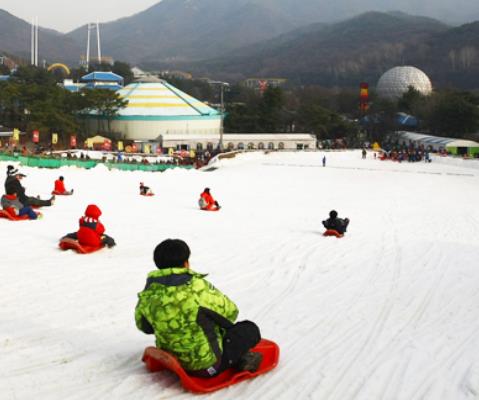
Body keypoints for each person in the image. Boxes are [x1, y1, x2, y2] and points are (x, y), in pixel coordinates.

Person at [135, 239, 262, 377]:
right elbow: (231, 312)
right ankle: (242, 360)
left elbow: (145, 327)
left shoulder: (148, 293)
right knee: (249, 329)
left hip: (171, 360)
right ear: (186, 263)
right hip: (205, 366)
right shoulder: (197, 288)